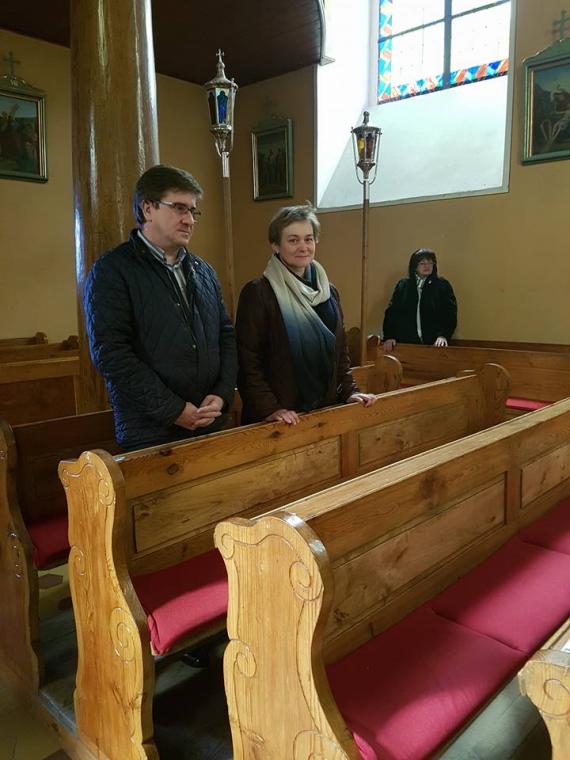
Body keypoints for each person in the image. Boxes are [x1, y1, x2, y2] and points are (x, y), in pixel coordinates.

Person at [84, 164, 237, 450]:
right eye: (179, 208)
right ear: (148, 209)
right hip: (151, 432)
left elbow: (226, 335)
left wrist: (221, 395)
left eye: (193, 211)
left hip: (209, 422)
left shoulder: (203, 271)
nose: (189, 220)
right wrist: (174, 410)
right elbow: (111, 354)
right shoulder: (112, 271)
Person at [235, 203, 376, 425]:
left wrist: (350, 391)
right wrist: (270, 409)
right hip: (280, 417)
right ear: (275, 245)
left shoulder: (329, 292)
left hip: (325, 409)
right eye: (293, 240)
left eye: (308, 239)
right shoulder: (258, 293)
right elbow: (247, 360)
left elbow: (340, 351)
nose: (303, 247)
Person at [382, 248, 457, 353]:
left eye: (430, 263)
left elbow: (450, 313)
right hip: (406, 343)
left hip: (435, 344)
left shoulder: (442, 286)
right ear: (415, 267)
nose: (427, 266)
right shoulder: (403, 286)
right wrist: (389, 336)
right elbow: (392, 313)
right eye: (422, 263)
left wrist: (443, 335)